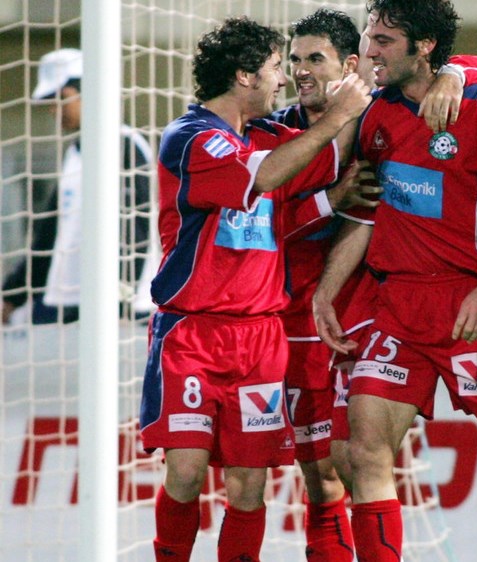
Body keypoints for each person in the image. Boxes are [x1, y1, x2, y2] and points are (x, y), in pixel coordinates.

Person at [312, 1, 477, 561]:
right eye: (370, 37)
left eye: (385, 41)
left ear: (424, 47)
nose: (370, 51)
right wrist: (327, 289)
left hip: (474, 306)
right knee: (365, 452)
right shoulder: (375, 115)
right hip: (398, 307)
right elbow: (368, 213)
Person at [138, 16, 371, 562]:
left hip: (261, 339)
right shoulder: (191, 139)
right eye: (275, 68)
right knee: (187, 473)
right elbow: (263, 176)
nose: (284, 79)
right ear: (244, 76)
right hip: (193, 334)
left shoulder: (268, 136)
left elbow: (326, 157)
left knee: (248, 484)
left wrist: (369, 93)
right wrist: (340, 114)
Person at [270, 8, 477, 560]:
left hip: (365, 311)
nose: (302, 70)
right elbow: (260, 224)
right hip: (294, 317)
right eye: (295, 59)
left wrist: (454, 74)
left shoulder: (379, 111)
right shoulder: (278, 133)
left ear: (351, 65)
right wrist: (330, 199)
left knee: (353, 458)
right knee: (318, 477)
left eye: (315, 58)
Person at [1, 47, 155, 325]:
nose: (54, 110)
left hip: (122, 310)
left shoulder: (125, 147)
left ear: (91, 91)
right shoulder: (75, 153)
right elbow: (50, 234)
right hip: (72, 301)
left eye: (62, 98)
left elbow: (136, 231)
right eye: (50, 102)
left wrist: (120, 298)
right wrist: (12, 295)